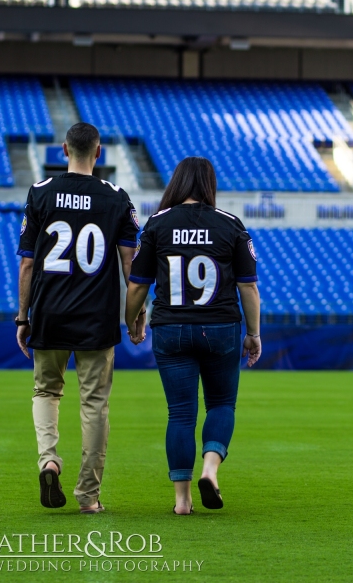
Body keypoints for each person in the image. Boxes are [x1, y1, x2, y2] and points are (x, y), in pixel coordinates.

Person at [16, 122, 145, 514]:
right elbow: (130, 266)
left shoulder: (40, 193)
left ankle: (49, 460)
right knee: (94, 405)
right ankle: (88, 496)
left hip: (50, 311)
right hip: (97, 317)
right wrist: (136, 316)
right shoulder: (117, 198)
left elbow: (27, 265)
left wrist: (23, 317)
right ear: (99, 152)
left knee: (45, 392)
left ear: (64, 150)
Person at [125, 156, 261, 515]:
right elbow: (249, 288)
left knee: (180, 414)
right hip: (221, 326)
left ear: (178, 182)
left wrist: (131, 321)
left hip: (170, 328)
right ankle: (210, 471)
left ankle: (182, 502)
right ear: (209, 184)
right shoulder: (231, 225)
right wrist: (254, 333)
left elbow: (138, 285)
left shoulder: (157, 223)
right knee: (221, 404)